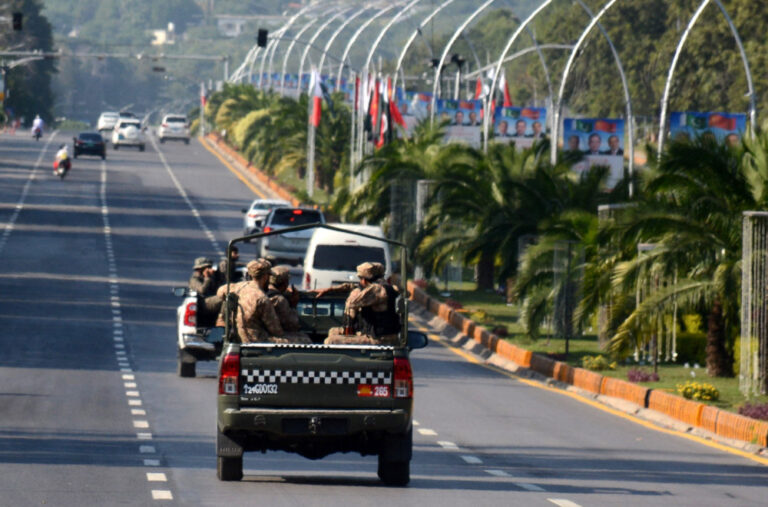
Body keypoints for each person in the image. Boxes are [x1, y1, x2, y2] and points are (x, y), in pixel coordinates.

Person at [315, 262, 401, 345]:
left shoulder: (376, 290)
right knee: (333, 331)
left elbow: (351, 303)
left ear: (363, 279)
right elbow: (358, 287)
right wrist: (332, 289)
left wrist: (354, 292)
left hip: (378, 340)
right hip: (384, 336)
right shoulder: (388, 288)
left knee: (330, 341)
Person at [216, 259, 285, 343]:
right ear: (265, 277)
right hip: (255, 341)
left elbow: (220, 292)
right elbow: (276, 330)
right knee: (301, 338)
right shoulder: (262, 298)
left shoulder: (237, 287)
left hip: (235, 336)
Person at [267, 265, 311, 343]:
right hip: (272, 337)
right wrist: (293, 305)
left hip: (263, 333)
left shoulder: (263, 292)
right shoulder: (279, 300)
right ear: (285, 283)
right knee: (305, 339)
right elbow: (293, 325)